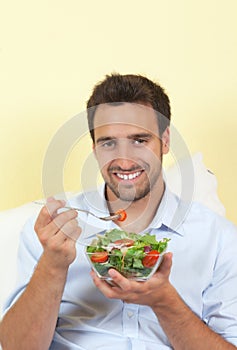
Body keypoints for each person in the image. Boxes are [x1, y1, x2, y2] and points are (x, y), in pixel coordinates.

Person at [0, 73, 237, 350]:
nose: (124, 161)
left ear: (166, 140)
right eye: (108, 142)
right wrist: (53, 264)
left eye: (139, 140)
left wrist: (164, 301)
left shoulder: (219, 238)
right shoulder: (54, 232)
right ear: (94, 148)